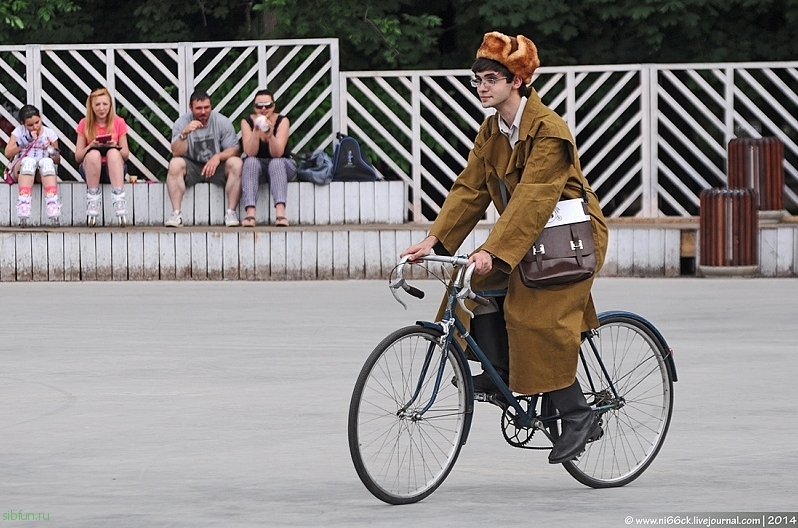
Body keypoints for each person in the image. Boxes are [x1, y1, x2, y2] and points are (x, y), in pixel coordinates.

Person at [400, 32, 609, 465]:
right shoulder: (492, 130)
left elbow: (534, 197)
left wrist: (493, 250)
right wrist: (434, 239)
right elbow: (469, 188)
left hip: (569, 238)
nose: (482, 86)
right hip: (524, 237)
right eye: (477, 79)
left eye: (491, 78)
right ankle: (502, 375)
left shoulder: (548, 130)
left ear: (517, 80)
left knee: (537, 315)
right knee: (471, 289)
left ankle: (577, 416)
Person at [165, 89, 242, 227]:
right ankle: (176, 214)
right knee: (174, 164)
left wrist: (219, 156)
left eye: (207, 107)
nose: (203, 112)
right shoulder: (181, 123)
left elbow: (235, 150)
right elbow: (176, 152)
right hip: (193, 165)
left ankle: (231, 212)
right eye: (199, 108)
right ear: (190, 108)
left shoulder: (221, 121)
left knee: (236, 163)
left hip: (216, 166)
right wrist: (184, 134)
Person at [239, 89, 296, 227]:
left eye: (268, 105)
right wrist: (255, 131)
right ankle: (250, 215)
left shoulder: (282, 120)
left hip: (282, 164)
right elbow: (250, 152)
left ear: (273, 106)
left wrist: (270, 135)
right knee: (250, 162)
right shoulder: (246, 121)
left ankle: (280, 214)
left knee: (275, 163)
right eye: (259, 106)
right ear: (254, 107)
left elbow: (278, 153)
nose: (263, 109)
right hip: (257, 165)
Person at [74, 87, 130, 226]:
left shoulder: (118, 122)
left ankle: (119, 197)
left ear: (110, 105)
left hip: (114, 168)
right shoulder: (84, 123)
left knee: (113, 153)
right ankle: (93, 198)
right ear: (91, 107)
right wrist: (91, 146)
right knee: (94, 154)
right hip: (91, 169)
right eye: (97, 104)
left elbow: (126, 155)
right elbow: (78, 157)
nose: (101, 108)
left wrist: (114, 145)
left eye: (105, 104)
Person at [3, 105, 62, 225]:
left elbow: (57, 160)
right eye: (30, 125)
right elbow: (7, 152)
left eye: (37, 122)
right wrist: (25, 140)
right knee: (28, 162)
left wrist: (49, 148)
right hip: (21, 169)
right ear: (23, 124)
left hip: (41, 173)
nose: (35, 127)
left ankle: (52, 202)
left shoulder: (49, 133)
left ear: (41, 118)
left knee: (47, 162)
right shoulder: (19, 132)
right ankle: (23, 203)